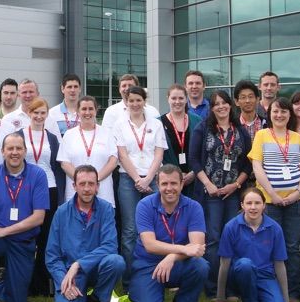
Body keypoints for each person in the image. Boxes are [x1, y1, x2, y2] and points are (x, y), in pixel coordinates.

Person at [0, 132, 50, 302]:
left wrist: (4, 231)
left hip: (22, 241)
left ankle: (0, 280)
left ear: (25, 151)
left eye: (18, 148)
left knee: (17, 301)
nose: (14, 152)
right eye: (10, 148)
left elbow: (39, 217)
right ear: (3, 151)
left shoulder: (38, 175)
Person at [248, 98, 300, 302]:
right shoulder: (261, 135)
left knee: (292, 247)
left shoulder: (297, 138)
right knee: (269, 245)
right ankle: (270, 288)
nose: (280, 115)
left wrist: (297, 192)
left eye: (284, 112)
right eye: (276, 111)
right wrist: (273, 195)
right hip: (269, 201)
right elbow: (257, 168)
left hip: (297, 201)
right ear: (270, 113)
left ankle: (292, 292)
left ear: (289, 115)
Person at [44, 164, 125, 302]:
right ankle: (74, 299)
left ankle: (94, 300)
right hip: (70, 275)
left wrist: (79, 264)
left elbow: (110, 246)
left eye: (91, 184)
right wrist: (63, 281)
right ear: (74, 186)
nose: (87, 188)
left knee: (116, 262)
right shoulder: (61, 212)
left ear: (98, 186)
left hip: (95, 269)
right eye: (82, 184)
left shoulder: (106, 209)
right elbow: (52, 256)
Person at [129, 165, 207, 302]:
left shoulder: (194, 207)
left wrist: (172, 256)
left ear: (182, 184)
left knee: (200, 266)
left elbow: (197, 247)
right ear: (157, 185)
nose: (169, 188)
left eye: (174, 183)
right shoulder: (145, 205)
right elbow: (150, 245)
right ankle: (140, 292)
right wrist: (184, 248)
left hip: (178, 263)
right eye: (164, 184)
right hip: (148, 265)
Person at [214, 185, 294, 302]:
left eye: (257, 203)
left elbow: (280, 266)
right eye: (249, 203)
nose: (253, 207)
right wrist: (221, 299)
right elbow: (224, 264)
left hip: (265, 277)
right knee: (245, 264)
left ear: (264, 205)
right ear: (242, 205)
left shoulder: (275, 228)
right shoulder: (231, 227)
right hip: (239, 276)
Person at [196, 90, 249, 298]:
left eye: (224, 103)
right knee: (213, 239)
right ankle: (212, 288)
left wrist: (236, 185)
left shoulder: (241, 130)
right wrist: (208, 184)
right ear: (212, 108)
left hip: (232, 193)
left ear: (230, 105)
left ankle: (230, 286)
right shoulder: (203, 128)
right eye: (216, 104)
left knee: (233, 238)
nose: (221, 107)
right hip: (211, 194)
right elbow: (194, 159)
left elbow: (247, 163)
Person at [114, 84, 165, 285]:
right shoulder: (120, 124)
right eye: (131, 100)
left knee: (154, 228)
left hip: (152, 178)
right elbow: (122, 154)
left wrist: (148, 178)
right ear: (126, 102)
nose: (135, 104)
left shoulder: (156, 124)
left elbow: (159, 153)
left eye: (138, 100)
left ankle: (153, 277)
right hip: (128, 179)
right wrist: (137, 179)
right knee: (130, 230)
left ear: (145, 101)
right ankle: (129, 281)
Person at [22, 97, 63, 298]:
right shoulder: (19, 136)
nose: (39, 116)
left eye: (42, 113)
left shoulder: (53, 138)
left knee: (46, 237)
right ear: (29, 113)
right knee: (27, 236)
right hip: (25, 189)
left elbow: (57, 166)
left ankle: (41, 282)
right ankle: (26, 281)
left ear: (47, 115)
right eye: (35, 112)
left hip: (49, 189)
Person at [59, 95, 119, 206]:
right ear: (78, 111)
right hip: (75, 193)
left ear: (96, 111)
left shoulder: (107, 133)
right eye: (84, 109)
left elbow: (113, 161)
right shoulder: (69, 134)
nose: (87, 112)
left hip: (103, 192)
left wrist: (94, 181)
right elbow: (64, 163)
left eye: (91, 109)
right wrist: (82, 182)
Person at [160, 84, 203, 192]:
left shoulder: (197, 121)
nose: (177, 102)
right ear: (168, 99)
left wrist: (194, 172)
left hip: (194, 180)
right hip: (169, 182)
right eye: (173, 98)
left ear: (186, 99)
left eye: (181, 98)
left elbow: (203, 150)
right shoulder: (158, 123)